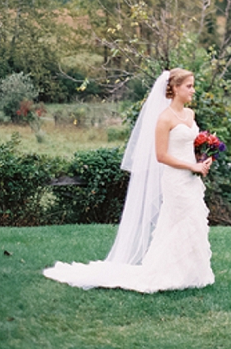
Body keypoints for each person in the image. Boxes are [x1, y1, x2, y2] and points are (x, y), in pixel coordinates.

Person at [43, 69, 215, 292]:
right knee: (177, 223)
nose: (193, 90)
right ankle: (165, 273)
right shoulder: (164, 118)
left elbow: (187, 146)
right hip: (175, 179)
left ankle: (191, 273)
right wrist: (191, 165)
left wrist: (201, 160)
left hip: (191, 178)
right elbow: (161, 155)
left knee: (193, 220)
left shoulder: (190, 115)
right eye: (189, 86)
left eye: (193, 85)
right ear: (175, 88)